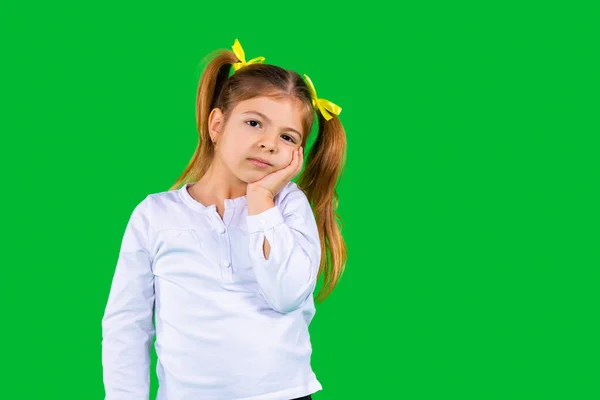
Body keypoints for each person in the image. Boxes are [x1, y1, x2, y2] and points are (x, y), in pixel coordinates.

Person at [101, 38, 348, 400]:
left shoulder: (289, 208)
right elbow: (127, 324)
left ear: (296, 154)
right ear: (217, 124)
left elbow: (287, 295)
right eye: (253, 123)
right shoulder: (155, 215)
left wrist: (262, 200)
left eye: (286, 136)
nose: (268, 143)